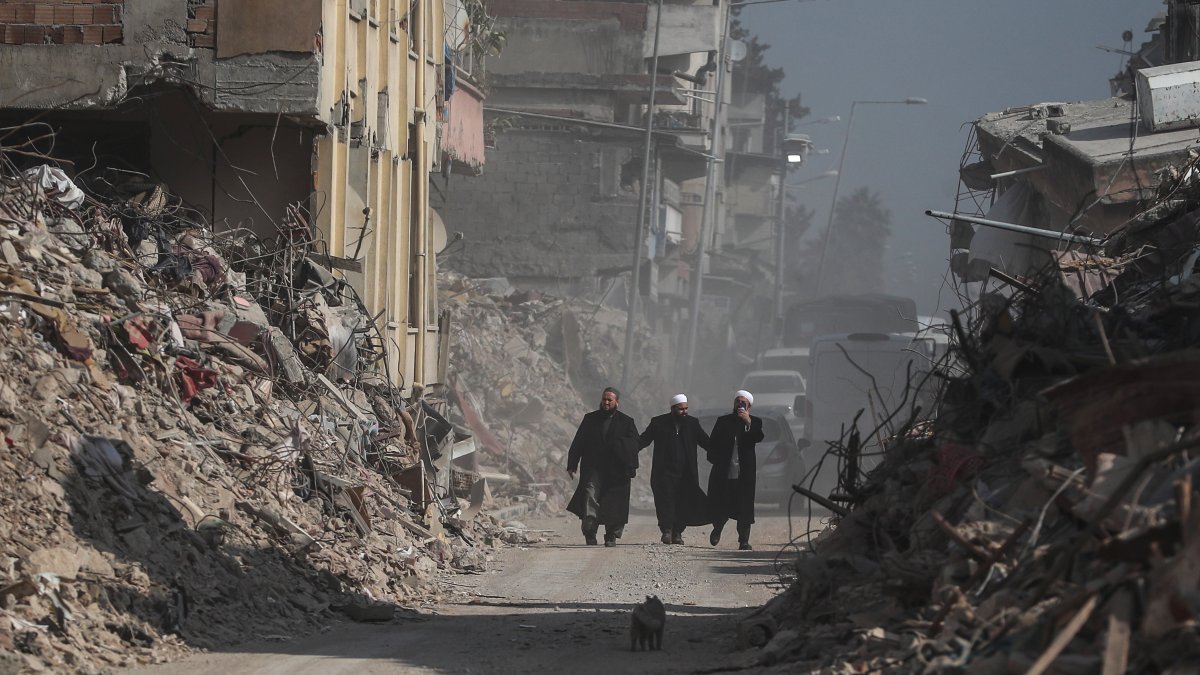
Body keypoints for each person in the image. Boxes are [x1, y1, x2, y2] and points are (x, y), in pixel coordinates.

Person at [566, 387, 640, 547]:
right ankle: (590, 532)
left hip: (617, 471)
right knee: (590, 496)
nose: (606, 402)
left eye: (609, 400)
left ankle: (611, 535)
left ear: (617, 402)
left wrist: (620, 449)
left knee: (614, 502)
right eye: (604, 399)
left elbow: (634, 444)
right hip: (593, 468)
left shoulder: (626, 422)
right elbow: (579, 441)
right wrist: (572, 464)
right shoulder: (590, 419)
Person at [638, 394, 710, 545]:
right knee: (665, 501)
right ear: (672, 409)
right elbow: (644, 440)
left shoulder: (692, 424)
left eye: (686, 409)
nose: (684, 412)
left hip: (686, 473)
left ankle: (677, 532)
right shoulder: (659, 423)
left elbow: (706, 442)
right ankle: (666, 530)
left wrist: (721, 452)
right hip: (664, 472)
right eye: (681, 409)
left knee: (683, 502)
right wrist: (628, 450)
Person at [706, 390, 764, 551]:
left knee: (744, 506)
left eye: (743, 402)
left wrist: (748, 422)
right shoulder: (723, 421)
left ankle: (743, 540)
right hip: (724, 471)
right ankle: (717, 529)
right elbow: (712, 444)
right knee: (722, 503)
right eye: (737, 401)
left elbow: (758, 437)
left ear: (749, 405)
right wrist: (715, 460)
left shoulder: (755, 422)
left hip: (744, 474)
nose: (739, 404)